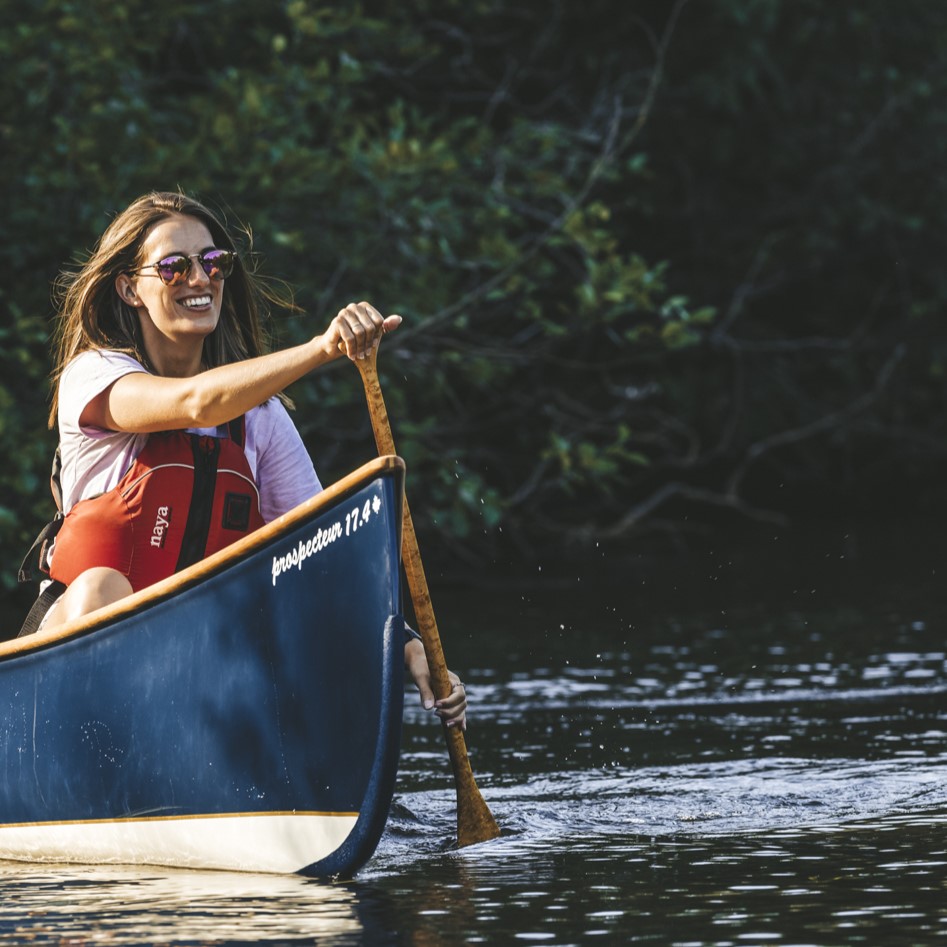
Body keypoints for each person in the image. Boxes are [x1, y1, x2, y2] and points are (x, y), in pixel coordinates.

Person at [21, 189, 466, 730]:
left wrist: (406, 645)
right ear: (128, 288)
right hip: (65, 688)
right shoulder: (92, 377)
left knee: (296, 620)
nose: (200, 278)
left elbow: (325, 560)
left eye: (213, 262)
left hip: (198, 680)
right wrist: (325, 349)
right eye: (173, 266)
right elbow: (194, 402)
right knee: (101, 587)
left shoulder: (261, 419)